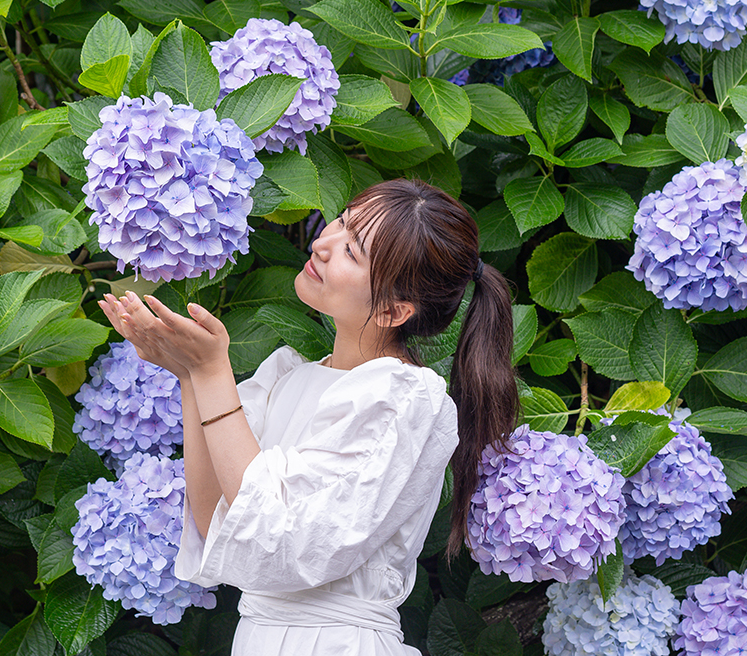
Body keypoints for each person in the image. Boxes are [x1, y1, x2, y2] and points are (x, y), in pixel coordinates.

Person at [97, 179, 519, 656]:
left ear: (392, 310)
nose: (321, 243)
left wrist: (213, 370)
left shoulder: (402, 398)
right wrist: (191, 376)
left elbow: (283, 541)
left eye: (352, 252)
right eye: (340, 222)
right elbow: (213, 515)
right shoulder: (289, 376)